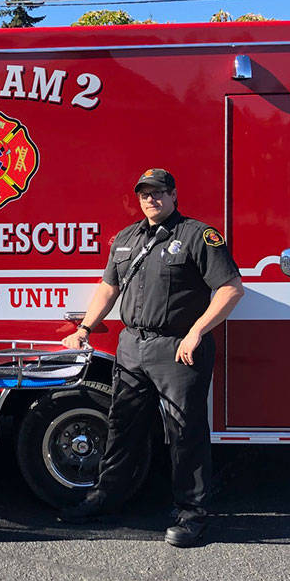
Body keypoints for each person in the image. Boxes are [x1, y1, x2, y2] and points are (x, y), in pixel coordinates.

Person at [60, 168, 244, 546]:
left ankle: (192, 515)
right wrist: (84, 329)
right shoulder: (126, 239)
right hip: (131, 345)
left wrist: (196, 332)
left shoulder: (197, 236)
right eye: (144, 193)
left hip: (177, 348)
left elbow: (230, 289)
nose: (151, 199)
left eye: (158, 192)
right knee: (122, 425)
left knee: (184, 433)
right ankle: (106, 497)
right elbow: (107, 289)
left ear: (174, 194)